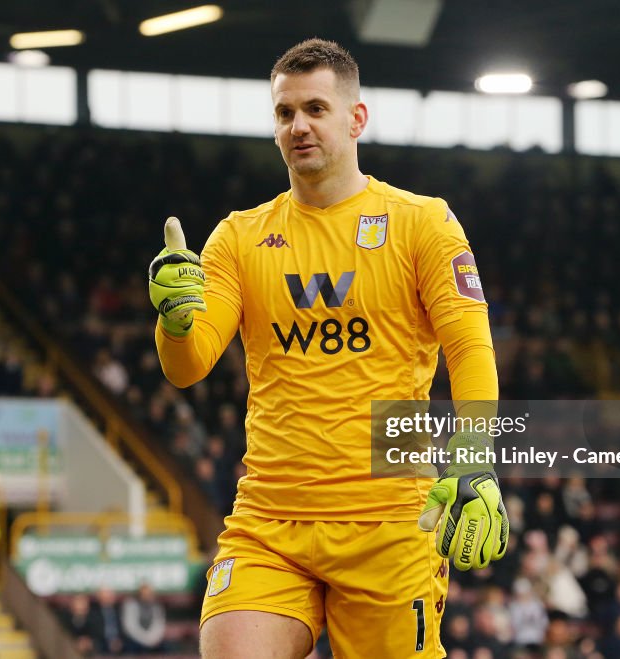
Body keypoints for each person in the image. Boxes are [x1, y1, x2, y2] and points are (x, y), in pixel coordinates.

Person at [149, 39, 508, 658]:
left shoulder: (423, 222)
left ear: (355, 118)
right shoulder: (238, 236)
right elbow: (188, 368)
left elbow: (470, 351)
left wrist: (473, 459)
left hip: (390, 519)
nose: (299, 126)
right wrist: (174, 320)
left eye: (315, 108)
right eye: (285, 113)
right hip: (270, 521)